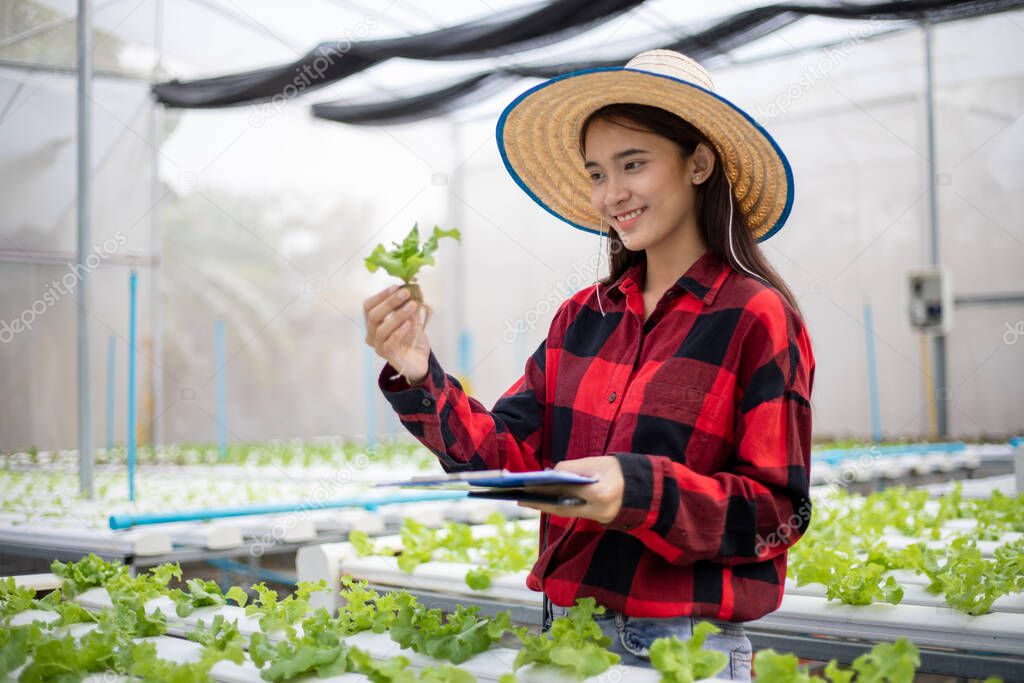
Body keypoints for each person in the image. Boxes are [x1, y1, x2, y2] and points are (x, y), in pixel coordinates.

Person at [362, 50, 815, 682]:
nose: (612, 194)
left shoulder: (756, 317)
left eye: (634, 164)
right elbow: (505, 456)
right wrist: (418, 371)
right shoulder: (581, 317)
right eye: (598, 173)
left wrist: (636, 490)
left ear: (699, 163)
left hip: (681, 648)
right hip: (565, 632)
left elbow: (775, 514)